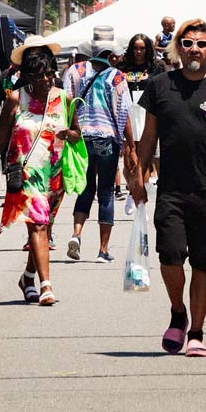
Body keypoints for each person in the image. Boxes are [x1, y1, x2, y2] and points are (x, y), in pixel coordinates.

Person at [127, 19, 206, 357]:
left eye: (200, 44)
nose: (194, 49)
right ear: (177, 48)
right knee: (169, 255)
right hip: (172, 189)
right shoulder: (160, 86)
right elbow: (148, 136)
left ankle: (196, 331)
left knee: (203, 262)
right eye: (187, 43)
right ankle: (177, 311)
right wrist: (138, 177)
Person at [0, 37, 79, 306]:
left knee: (44, 228)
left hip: (55, 174)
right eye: (39, 75)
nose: (46, 80)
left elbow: (76, 134)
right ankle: (46, 286)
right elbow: (0, 138)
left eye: (49, 74)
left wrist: (69, 133)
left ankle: (28, 277)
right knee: (37, 226)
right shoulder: (15, 98)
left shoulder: (65, 99)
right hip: (25, 173)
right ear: (28, 76)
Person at [68, 43, 134, 263]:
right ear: (111, 55)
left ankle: (76, 234)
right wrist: (129, 144)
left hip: (82, 137)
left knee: (85, 188)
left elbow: (65, 101)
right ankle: (103, 250)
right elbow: (123, 111)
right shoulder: (116, 76)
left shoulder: (75, 71)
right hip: (106, 137)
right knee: (106, 192)